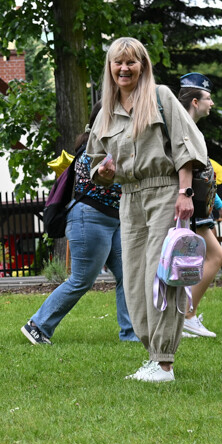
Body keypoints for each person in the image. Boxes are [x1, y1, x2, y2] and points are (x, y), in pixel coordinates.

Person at [88, 38, 209, 383]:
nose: (124, 69)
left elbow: (186, 146)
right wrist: (104, 173)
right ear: (110, 69)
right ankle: (152, 355)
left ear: (142, 66)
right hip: (129, 197)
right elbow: (96, 162)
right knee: (134, 280)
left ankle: (164, 361)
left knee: (163, 276)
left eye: (131, 63)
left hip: (165, 192)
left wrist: (185, 193)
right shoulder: (107, 110)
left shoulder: (161, 97)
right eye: (117, 63)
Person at [21, 103, 137, 346]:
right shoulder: (92, 152)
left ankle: (130, 333)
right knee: (81, 279)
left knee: (127, 275)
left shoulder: (112, 148)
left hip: (113, 221)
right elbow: (112, 182)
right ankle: (38, 325)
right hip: (90, 219)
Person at [176, 73, 222, 339]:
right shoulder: (182, 130)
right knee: (216, 257)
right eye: (208, 98)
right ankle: (187, 315)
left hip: (200, 207)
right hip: (190, 206)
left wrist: (220, 207)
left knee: (192, 262)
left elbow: (205, 174)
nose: (211, 103)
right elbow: (186, 171)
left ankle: (184, 314)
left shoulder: (191, 129)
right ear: (194, 101)